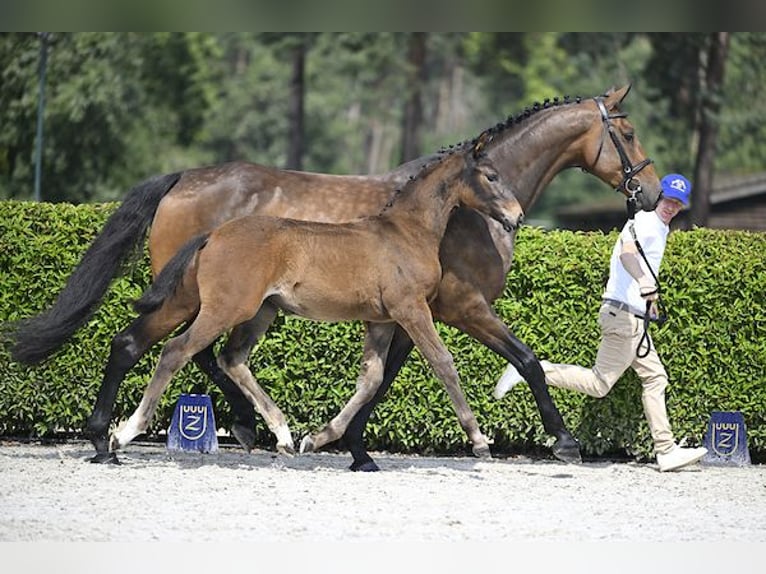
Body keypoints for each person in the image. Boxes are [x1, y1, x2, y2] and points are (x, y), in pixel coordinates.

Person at [494, 173, 707, 472]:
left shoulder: (657, 226)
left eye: (677, 203)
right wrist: (645, 282)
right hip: (624, 319)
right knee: (599, 384)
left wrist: (650, 302)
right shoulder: (647, 223)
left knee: (655, 378)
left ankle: (666, 449)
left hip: (631, 315)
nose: (672, 206)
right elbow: (627, 255)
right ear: (660, 197)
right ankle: (531, 369)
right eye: (669, 200)